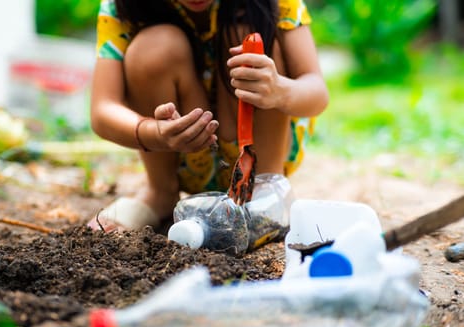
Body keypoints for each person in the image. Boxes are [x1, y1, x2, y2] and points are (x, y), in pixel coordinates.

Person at [88, 0, 329, 232]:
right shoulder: (122, 7)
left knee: (253, 36)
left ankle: (266, 192)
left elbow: (317, 90)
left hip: (260, 156)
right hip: (180, 155)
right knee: (152, 47)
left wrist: (279, 89)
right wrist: (155, 132)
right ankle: (160, 192)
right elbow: (102, 110)